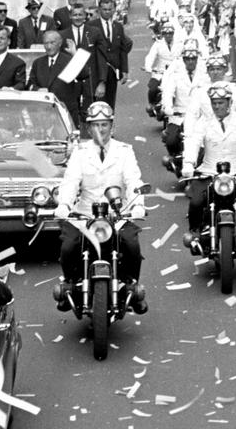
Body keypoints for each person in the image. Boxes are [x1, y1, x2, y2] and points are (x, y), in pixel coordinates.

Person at [53, 102, 148, 314]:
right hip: (84, 215)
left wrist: (138, 204)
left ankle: (133, 289)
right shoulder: (79, 152)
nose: (100, 129)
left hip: (117, 214)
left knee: (132, 245)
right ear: (88, 128)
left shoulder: (125, 151)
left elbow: (133, 180)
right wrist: (64, 204)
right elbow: (70, 181)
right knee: (68, 247)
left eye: (104, 124)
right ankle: (70, 286)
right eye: (95, 125)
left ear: (111, 126)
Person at [181, 83, 236, 251]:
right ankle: (195, 233)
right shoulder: (204, 122)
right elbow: (193, 141)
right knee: (196, 202)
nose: (217, 106)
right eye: (214, 103)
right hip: (209, 174)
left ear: (229, 103)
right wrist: (189, 163)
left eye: (221, 102)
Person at [160, 40, 206, 169]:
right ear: (183, 60)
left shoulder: (204, 77)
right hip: (179, 115)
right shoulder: (176, 76)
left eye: (193, 59)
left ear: (197, 60)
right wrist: (167, 107)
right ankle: (175, 159)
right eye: (187, 59)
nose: (190, 62)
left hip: (198, 117)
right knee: (171, 140)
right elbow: (168, 93)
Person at [59, 4, 106, 122]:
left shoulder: (95, 32)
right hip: (70, 82)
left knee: (90, 114)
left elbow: (101, 59)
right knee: (70, 114)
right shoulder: (62, 35)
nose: (78, 17)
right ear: (70, 16)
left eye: (80, 14)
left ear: (85, 16)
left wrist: (101, 82)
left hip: (90, 81)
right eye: (75, 15)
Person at [28, 30, 80, 124]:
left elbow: (84, 75)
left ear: (59, 43)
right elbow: (30, 84)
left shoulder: (69, 61)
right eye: (46, 43)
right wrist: (38, 90)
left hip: (65, 111)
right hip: (43, 112)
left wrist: (75, 55)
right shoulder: (38, 63)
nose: (49, 46)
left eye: (52, 43)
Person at [88, 0, 132, 108]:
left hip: (113, 71)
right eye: (104, 9)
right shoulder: (91, 26)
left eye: (109, 9)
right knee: (98, 101)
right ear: (99, 10)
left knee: (110, 101)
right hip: (97, 70)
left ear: (114, 10)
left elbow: (123, 49)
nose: (107, 12)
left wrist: (124, 70)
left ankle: (109, 123)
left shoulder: (118, 27)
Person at [143, 21, 177, 116]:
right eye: (166, 33)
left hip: (175, 73)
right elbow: (151, 56)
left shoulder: (179, 44)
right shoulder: (158, 44)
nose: (168, 35)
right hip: (160, 72)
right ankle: (152, 104)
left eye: (170, 33)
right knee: (153, 88)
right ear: (162, 34)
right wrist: (148, 67)